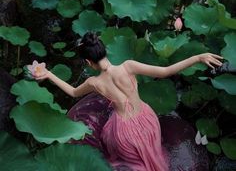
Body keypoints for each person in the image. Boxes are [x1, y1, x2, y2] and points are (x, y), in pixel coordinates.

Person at [34, 32, 223, 171]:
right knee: (153, 155)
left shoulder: (94, 82)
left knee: (126, 158)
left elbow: (73, 93)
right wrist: (198, 57)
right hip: (147, 120)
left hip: (123, 134)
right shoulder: (129, 66)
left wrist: (49, 74)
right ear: (104, 51)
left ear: (88, 62)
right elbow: (166, 71)